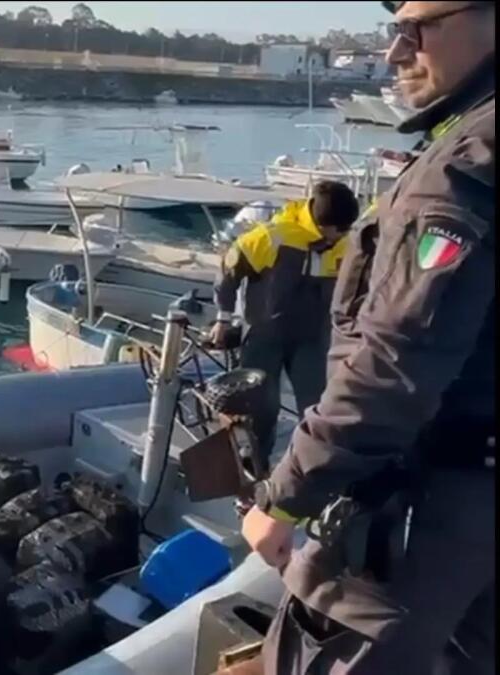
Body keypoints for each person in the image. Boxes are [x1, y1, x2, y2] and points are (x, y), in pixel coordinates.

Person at [242, 1, 495, 673]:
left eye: (416, 29)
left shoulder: (463, 170)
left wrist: (287, 494)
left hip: (418, 510)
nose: (394, 52)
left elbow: (397, 358)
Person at [209, 181, 360, 467]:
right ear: (321, 222)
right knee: (262, 408)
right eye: (340, 229)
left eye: (347, 229)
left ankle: (309, 467)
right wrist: (223, 319)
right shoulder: (272, 237)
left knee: (316, 404)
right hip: (264, 336)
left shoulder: (345, 244)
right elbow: (228, 273)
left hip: (311, 339)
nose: (344, 234)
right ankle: (255, 463)